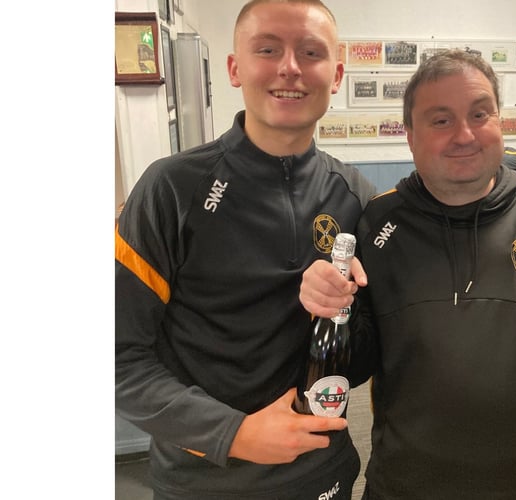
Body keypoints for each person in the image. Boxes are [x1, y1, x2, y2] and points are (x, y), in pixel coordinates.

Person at [300, 49, 516, 500]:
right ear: (410, 136)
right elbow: (355, 366)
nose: (465, 134)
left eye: (480, 114)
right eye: (440, 120)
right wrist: (330, 309)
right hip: (403, 488)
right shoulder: (378, 224)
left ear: (500, 121)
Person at [115, 1, 377, 499]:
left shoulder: (355, 196)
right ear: (235, 69)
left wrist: (340, 312)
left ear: (336, 74)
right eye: (267, 49)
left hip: (323, 474)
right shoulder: (170, 190)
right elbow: (117, 358)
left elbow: (363, 358)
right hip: (204, 481)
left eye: (310, 52)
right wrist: (232, 434)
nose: (290, 68)